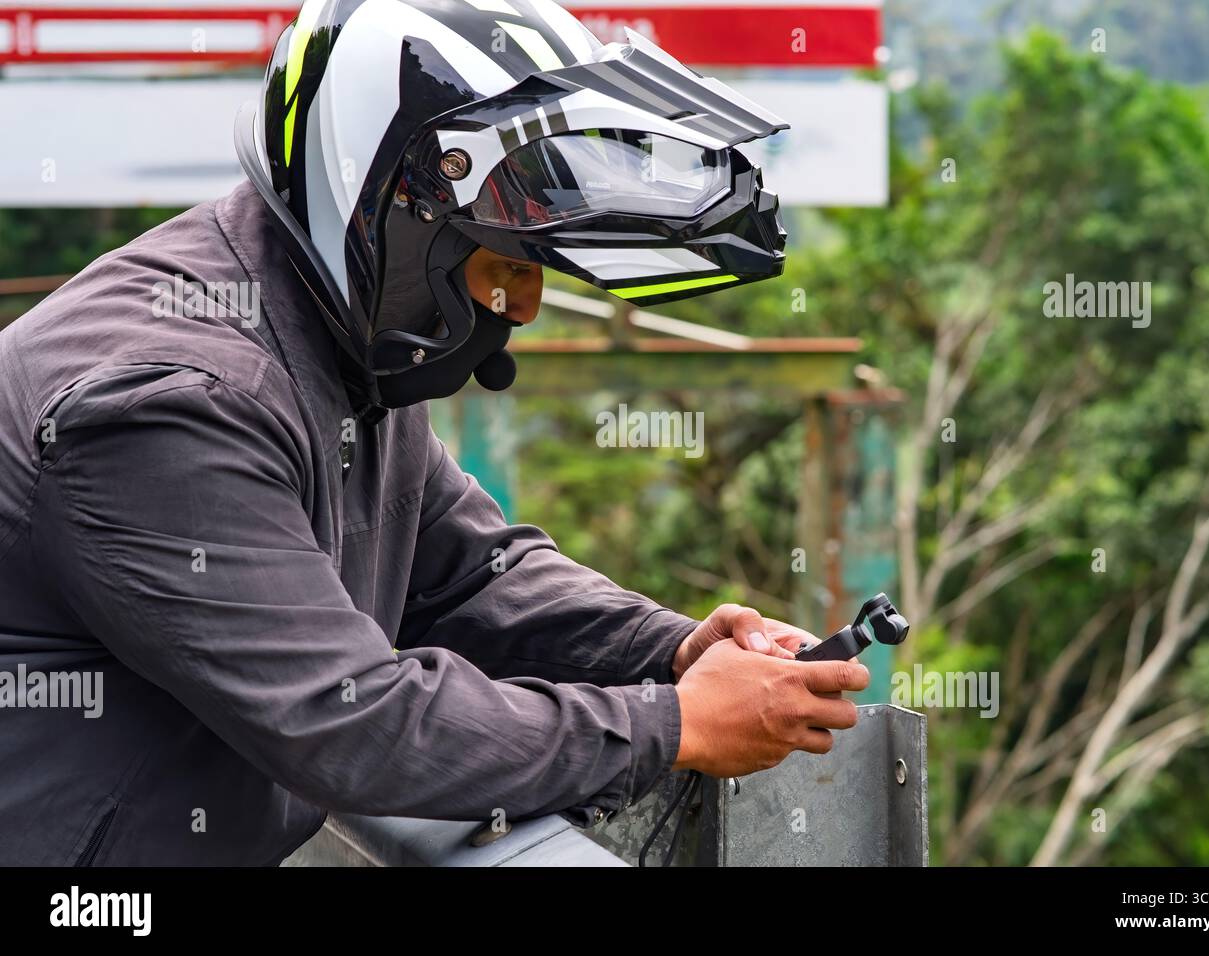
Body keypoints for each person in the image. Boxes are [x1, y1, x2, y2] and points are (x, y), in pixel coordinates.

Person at [0, 0, 867, 866]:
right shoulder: (165, 408)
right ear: (406, 223)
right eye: (511, 263)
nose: (525, 305)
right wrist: (670, 724)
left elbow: (467, 575)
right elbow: (352, 720)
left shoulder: (336, 332)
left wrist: (670, 649)